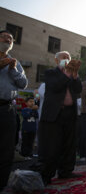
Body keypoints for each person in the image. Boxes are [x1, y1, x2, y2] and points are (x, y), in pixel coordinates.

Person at [37, 51, 82, 185]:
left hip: (70, 113)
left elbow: (78, 89)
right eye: (64, 58)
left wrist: (75, 76)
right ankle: (46, 175)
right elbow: (55, 87)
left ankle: (66, 171)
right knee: (52, 145)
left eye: (68, 57)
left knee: (69, 144)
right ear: (57, 60)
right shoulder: (51, 73)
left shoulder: (72, 74)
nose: (67, 60)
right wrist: (67, 73)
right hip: (54, 114)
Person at [0, 30, 28, 192]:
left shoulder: (14, 62)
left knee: (6, 148)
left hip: (7, 108)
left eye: (10, 39)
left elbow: (23, 83)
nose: (8, 40)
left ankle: (2, 184)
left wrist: (12, 69)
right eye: (4, 37)